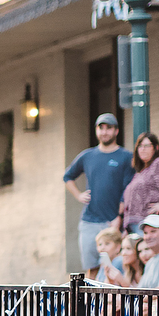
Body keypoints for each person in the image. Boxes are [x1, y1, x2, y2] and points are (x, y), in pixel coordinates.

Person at [65, 114, 135, 277]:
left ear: (116, 131)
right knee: (92, 269)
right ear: (96, 130)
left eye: (108, 128)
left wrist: (118, 217)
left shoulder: (125, 157)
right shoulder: (87, 156)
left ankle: (112, 303)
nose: (104, 132)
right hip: (89, 221)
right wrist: (78, 195)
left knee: (116, 266)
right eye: (101, 128)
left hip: (112, 222)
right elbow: (67, 176)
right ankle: (91, 303)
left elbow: (127, 189)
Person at [120, 131, 159, 234]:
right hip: (134, 227)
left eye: (147, 146)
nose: (143, 149)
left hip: (149, 226)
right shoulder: (140, 172)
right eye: (140, 146)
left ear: (155, 148)